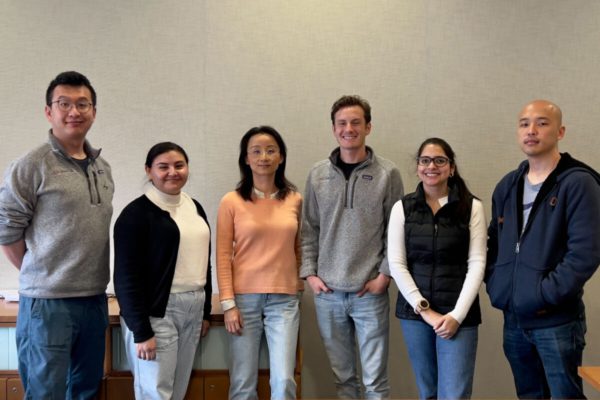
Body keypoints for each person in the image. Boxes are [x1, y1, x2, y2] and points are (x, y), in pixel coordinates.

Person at [0, 71, 114, 399]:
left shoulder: (101, 166)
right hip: (47, 305)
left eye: (83, 104)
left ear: (93, 111)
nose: (74, 111)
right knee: (45, 393)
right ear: (49, 111)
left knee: (85, 390)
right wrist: (43, 273)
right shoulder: (31, 165)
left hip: (94, 299)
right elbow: (7, 232)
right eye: (64, 103)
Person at [486, 100, 600, 399]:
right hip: (514, 319)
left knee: (565, 396)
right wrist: (498, 284)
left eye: (542, 123)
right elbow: (493, 243)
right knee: (530, 395)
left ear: (560, 131)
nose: (531, 130)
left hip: (556, 321)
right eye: (524, 123)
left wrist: (543, 295)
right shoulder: (507, 186)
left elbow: (584, 254)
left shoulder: (578, 183)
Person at [300, 95, 404, 398]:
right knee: (343, 379)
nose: (349, 129)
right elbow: (309, 229)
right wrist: (310, 275)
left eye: (355, 122)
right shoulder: (318, 174)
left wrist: (384, 277)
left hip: (368, 294)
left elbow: (396, 231)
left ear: (368, 127)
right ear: (333, 129)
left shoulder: (388, 173)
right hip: (328, 294)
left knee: (375, 381)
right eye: (342, 123)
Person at [387, 138, 486, 399]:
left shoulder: (472, 207)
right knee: (428, 393)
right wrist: (425, 310)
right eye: (425, 160)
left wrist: (456, 316)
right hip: (415, 315)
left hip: (459, 316)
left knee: (453, 394)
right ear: (418, 166)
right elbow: (397, 264)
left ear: (451, 167)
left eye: (440, 160)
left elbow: (477, 263)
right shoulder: (403, 208)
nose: (432, 166)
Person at [113, 142, 212, 400]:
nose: (172, 172)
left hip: (193, 306)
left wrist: (205, 311)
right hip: (157, 312)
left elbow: (204, 260)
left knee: (177, 391)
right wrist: (141, 331)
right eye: (163, 167)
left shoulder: (194, 207)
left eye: (179, 165)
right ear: (149, 171)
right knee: (156, 392)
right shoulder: (135, 214)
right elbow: (125, 277)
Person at [217, 126, 302, 399]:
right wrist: (228, 304)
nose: (263, 156)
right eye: (256, 151)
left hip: (285, 301)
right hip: (244, 301)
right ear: (245, 158)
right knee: (242, 382)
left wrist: (298, 283)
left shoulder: (295, 199)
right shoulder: (231, 201)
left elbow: (300, 248)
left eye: (271, 150)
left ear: (281, 157)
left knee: (284, 381)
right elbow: (221, 255)